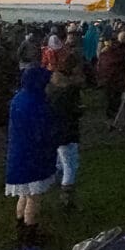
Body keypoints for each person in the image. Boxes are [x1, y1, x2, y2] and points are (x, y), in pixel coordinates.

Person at [5, 66, 57, 245]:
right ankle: (30, 235)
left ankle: (20, 228)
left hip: (18, 155)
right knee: (34, 198)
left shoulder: (18, 98)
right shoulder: (36, 103)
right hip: (33, 157)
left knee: (24, 195)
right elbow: (42, 131)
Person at [47, 37, 85, 209]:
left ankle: (53, 182)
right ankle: (66, 198)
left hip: (54, 128)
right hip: (68, 130)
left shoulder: (52, 84)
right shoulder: (69, 90)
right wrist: (79, 110)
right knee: (71, 164)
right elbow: (73, 110)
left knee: (60, 159)